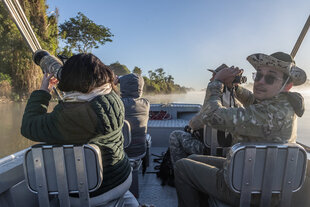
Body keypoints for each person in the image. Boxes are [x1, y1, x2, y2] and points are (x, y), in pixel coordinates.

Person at [174, 52, 307, 207]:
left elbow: (210, 116)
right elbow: (252, 100)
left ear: (288, 85)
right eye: (258, 76)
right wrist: (234, 87)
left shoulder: (269, 114)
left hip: (247, 190)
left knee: (182, 166)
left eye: (270, 78)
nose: (260, 82)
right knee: (192, 159)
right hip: (255, 177)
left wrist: (217, 82)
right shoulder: (282, 104)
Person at [21, 53, 132, 202]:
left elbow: (29, 126)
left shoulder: (72, 116)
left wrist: (43, 92)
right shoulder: (113, 99)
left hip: (93, 192)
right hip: (122, 178)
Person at [169, 64, 240, 167]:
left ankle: (178, 170)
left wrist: (191, 125)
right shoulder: (237, 104)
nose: (211, 78)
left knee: (175, 135)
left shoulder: (212, 104)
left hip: (207, 150)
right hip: (230, 151)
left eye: (215, 76)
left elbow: (194, 124)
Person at [118, 73, 150, 158]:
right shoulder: (146, 103)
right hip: (140, 151)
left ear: (123, 87)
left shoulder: (118, 104)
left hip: (122, 153)